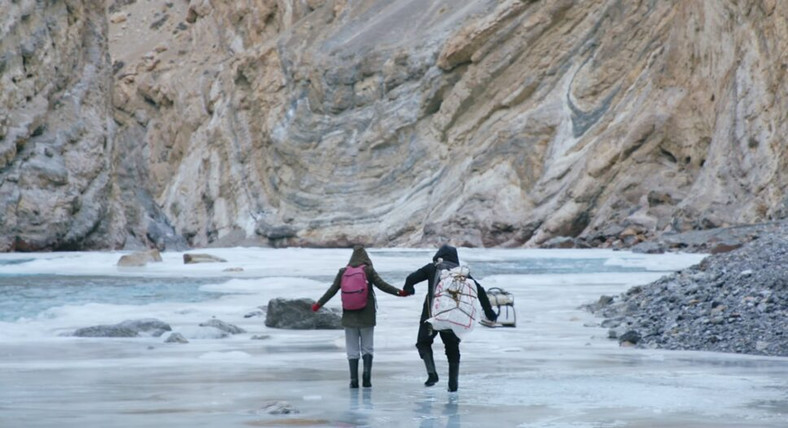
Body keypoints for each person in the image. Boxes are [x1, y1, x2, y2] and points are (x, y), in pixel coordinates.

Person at [402, 244, 497, 392]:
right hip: (454, 318)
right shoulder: (461, 274)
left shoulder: (432, 267)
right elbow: (480, 291)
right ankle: (453, 384)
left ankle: (432, 373)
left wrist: (409, 289)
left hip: (432, 316)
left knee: (423, 343)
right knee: (452, 350)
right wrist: (489, 312)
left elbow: (411, 278)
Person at [312, 245, 407, 388]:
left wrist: (318, 304)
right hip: (367, 315)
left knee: (352, 349)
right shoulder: (368, 271)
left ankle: (354, 380)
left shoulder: (343, 272)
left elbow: (332, 290)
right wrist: (400, 292)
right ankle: (367, 377)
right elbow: (383, 285)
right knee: (367, 347)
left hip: (349, 316)